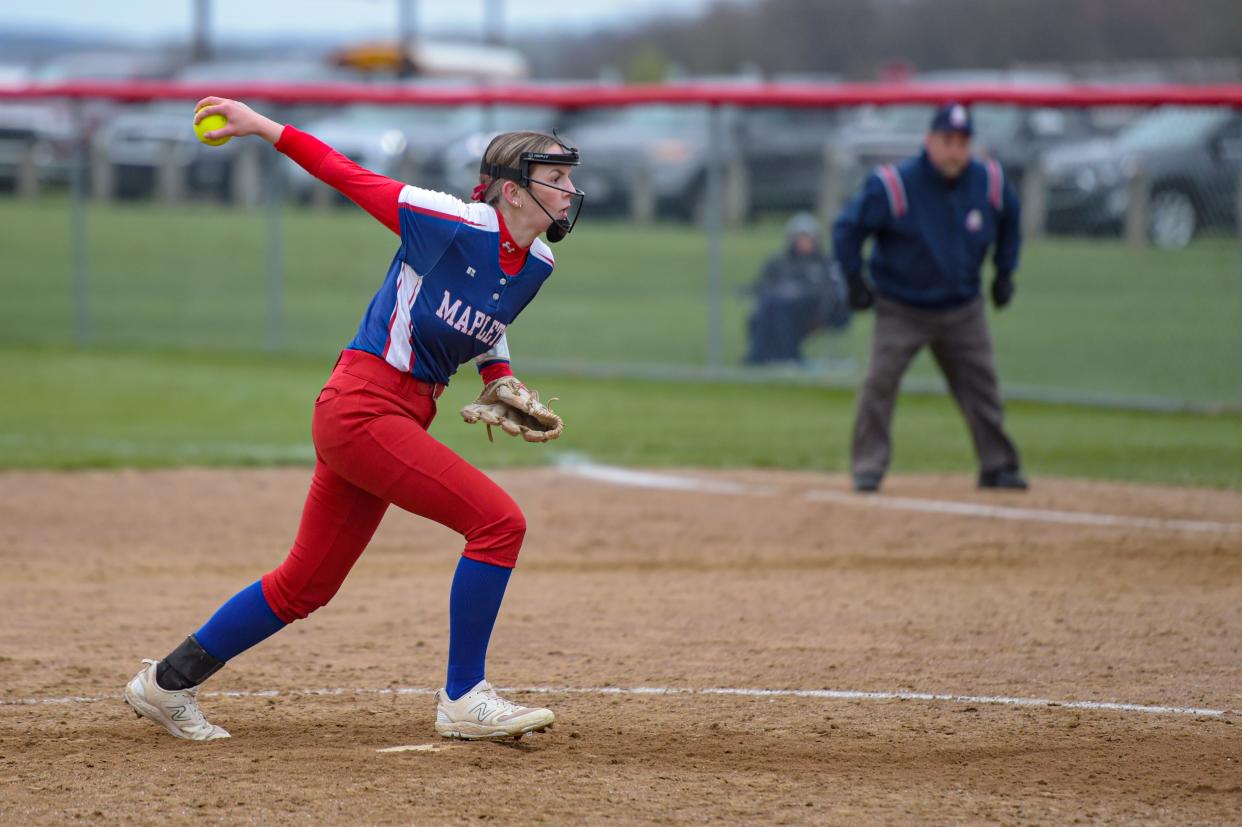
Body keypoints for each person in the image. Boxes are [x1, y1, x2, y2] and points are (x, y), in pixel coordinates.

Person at [122, 96, 584, 742]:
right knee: (498, 523)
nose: (569, 190)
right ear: (511, 192)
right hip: (363, 405)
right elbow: (346, 173)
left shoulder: (537, 263)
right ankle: (463, 695)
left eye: (568, 178)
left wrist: (498, 378)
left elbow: (484, 320)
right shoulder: (451, 222)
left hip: (398, 414)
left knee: (304, 584)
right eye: (554, 178)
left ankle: (166, 682)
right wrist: (263, 127)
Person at [833, 102, 1027, 493]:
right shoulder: (894, 184)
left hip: (962, 307)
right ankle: (868, 466)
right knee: (879, 384)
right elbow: (846, 229)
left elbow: (1011, 220)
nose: (955, 150)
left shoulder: (988, 182)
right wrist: (855, 279)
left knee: (982, 388)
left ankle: (998, 465)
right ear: (929, 140)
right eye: (947, 140)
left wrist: (1005, 272)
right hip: (902, 307)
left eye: (962, 141)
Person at [744, 212, 849, 365]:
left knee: (777, 309)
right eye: (800, 238)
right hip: (777, 308)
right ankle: (761, 357)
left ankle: (785, 357)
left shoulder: (825, 264)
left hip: (813, 311)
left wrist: (799, 293)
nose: (803, 242)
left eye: (807, 238)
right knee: (767, 308)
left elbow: (832, 291)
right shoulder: (779, 262)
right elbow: (763, 285)